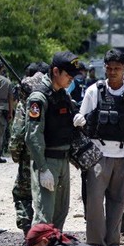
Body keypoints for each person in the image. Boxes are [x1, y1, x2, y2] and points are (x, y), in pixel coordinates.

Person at [73, 49, 124, 246]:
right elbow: (82, 118)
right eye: (109, 69)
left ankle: (113, 245)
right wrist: (79, 121)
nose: (113, 72)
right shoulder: (94, 91)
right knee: (95, 202)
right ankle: (96, 245)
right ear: (105, 68)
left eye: (117, 69)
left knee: (117, 202)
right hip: (98, 155)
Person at [25, 51, 80, 230]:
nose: (71, 79)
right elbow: (33, 136)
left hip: (63, 160)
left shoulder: (62, 94)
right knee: (44, 214)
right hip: (47, 162)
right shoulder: (39, 98)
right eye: (68, 75)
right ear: (56, 71)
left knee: (60, 213)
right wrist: (42, 169)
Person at [10, 63, 49, 236]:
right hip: (51, 154)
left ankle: (28, 229)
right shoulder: (52, 96)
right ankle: (48, 229)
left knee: (22, 193)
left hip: (29, 155)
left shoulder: (26, 102)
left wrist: (15, 154)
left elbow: (18, 132)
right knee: (47, 194)